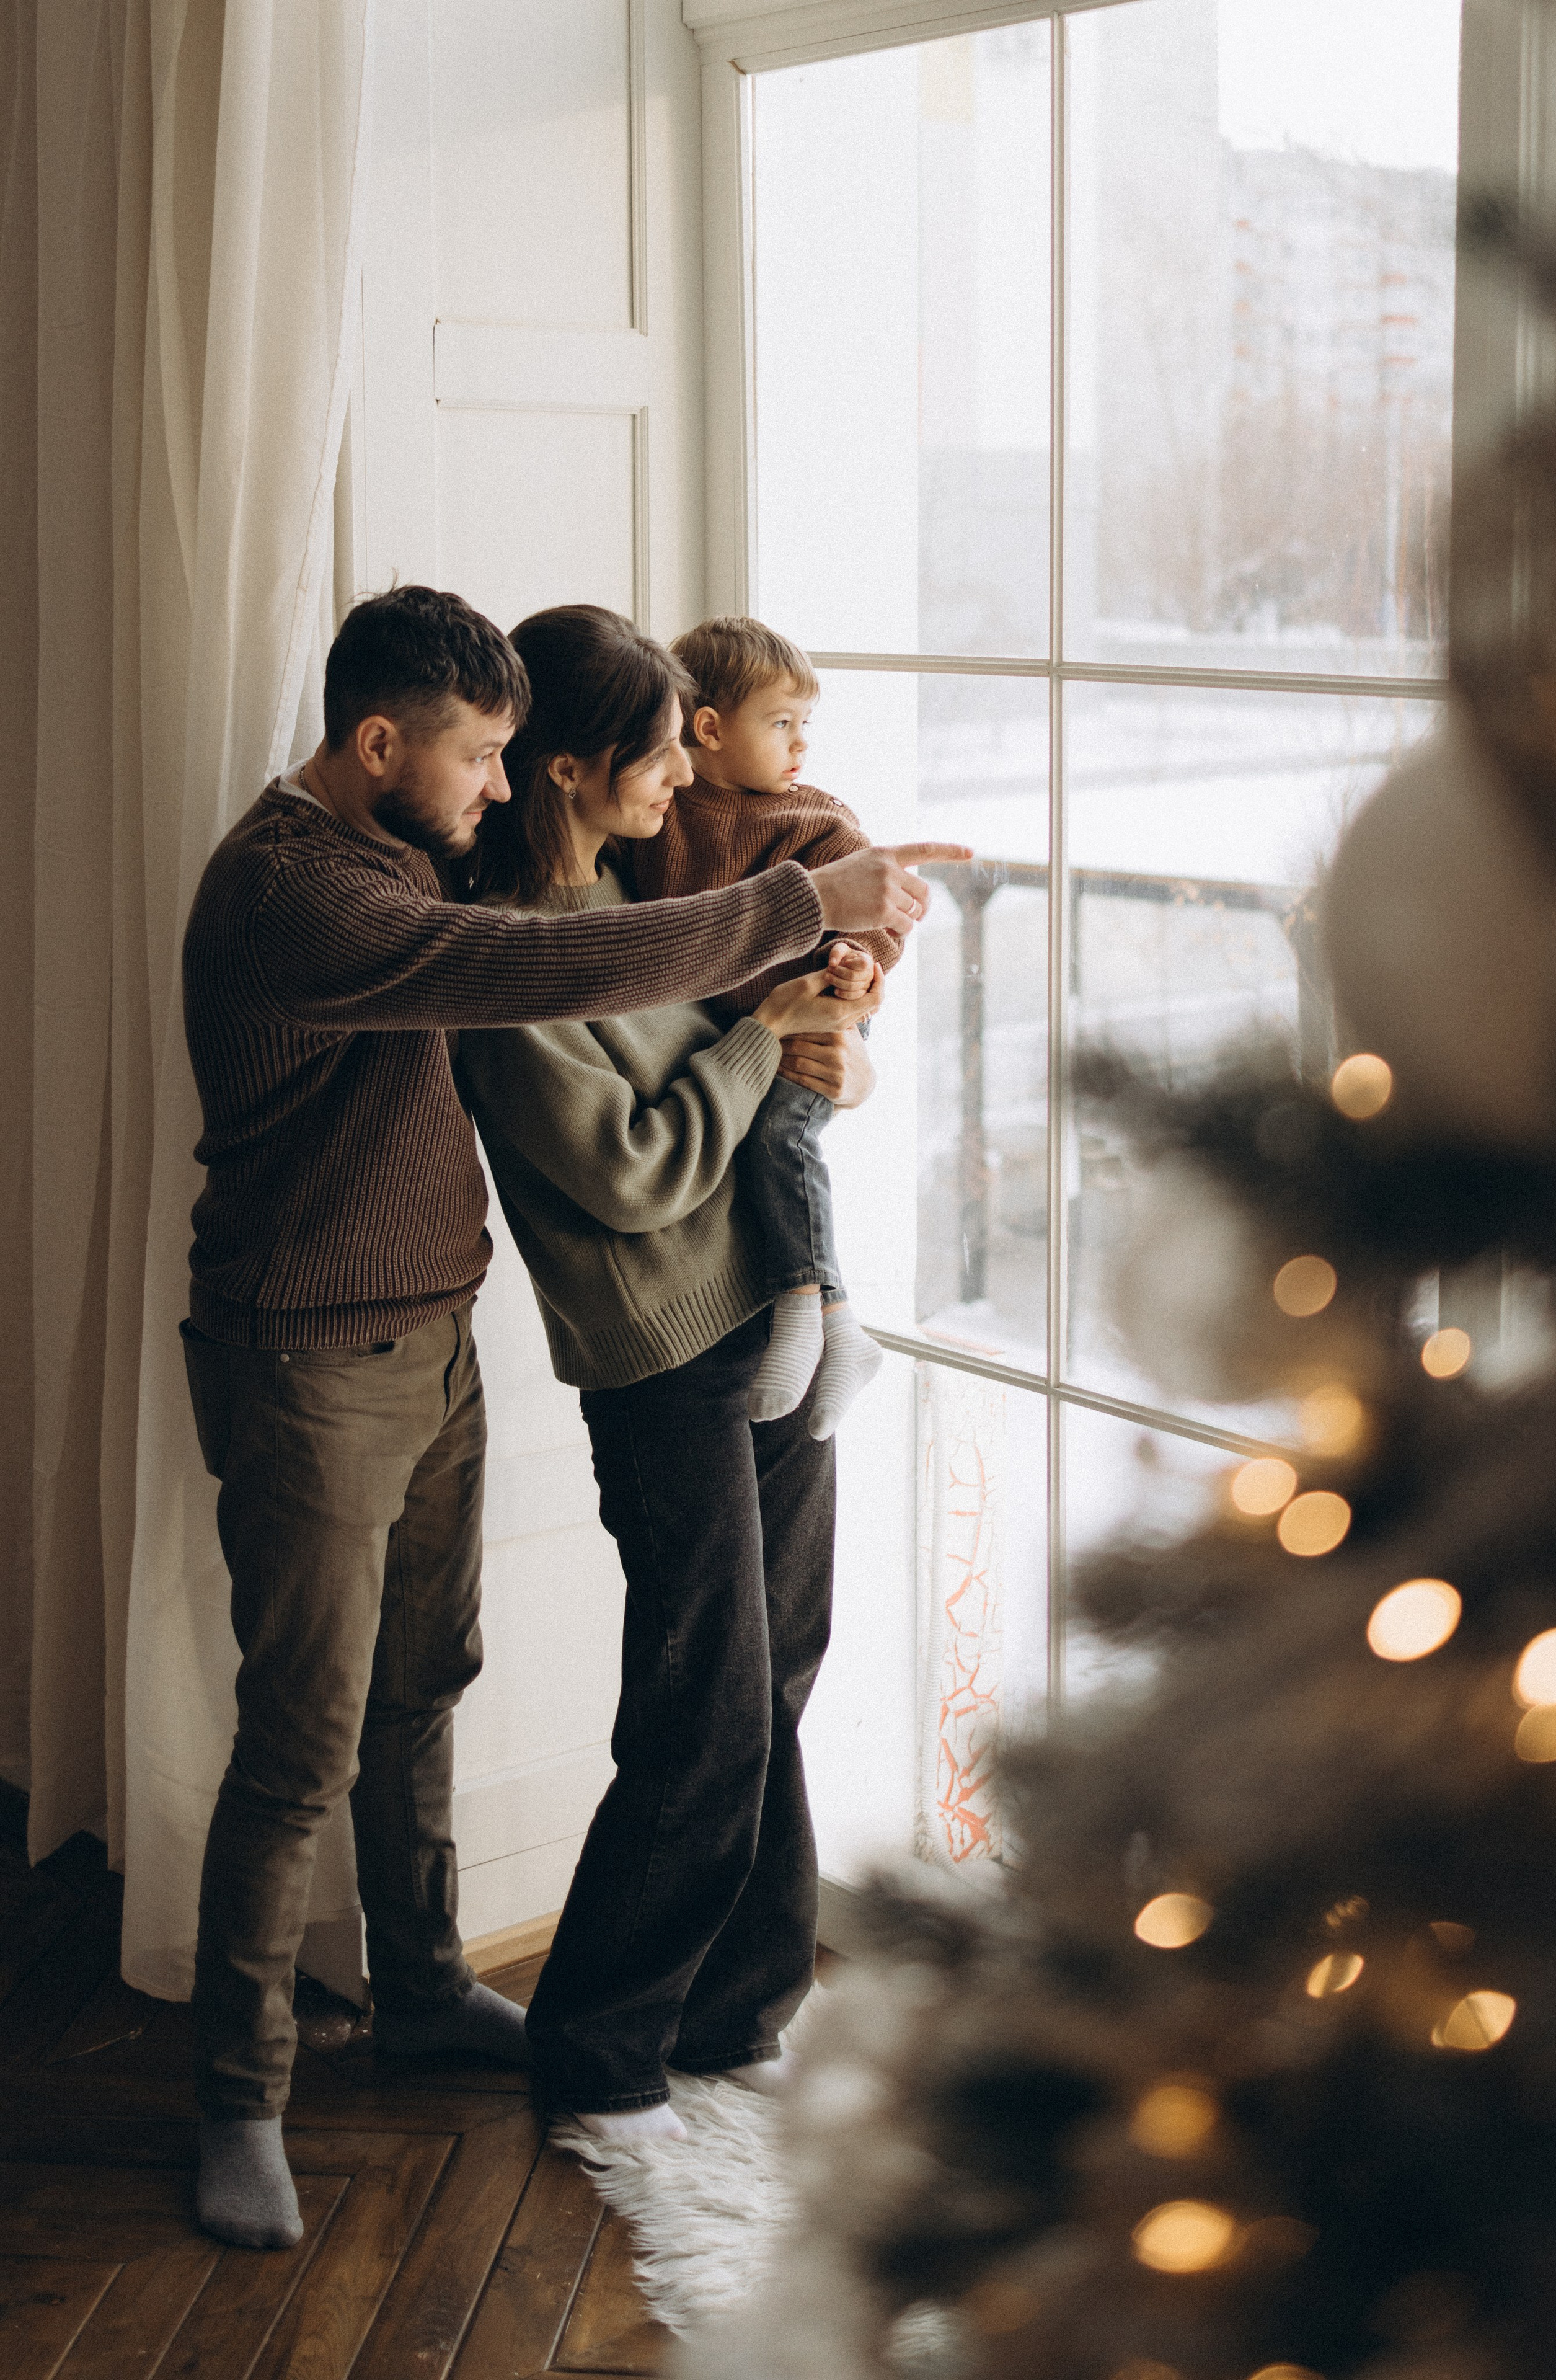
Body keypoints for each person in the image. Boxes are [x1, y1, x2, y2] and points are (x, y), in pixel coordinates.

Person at [179, 584, 963, 2249]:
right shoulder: (305, 891)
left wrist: (815, 1002)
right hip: (311, 1353)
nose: (496, 775)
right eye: (478, 751)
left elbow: (666, 930)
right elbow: (545, 978)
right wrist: (790, 937)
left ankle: (425, 1986)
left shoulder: (426, 855)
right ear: (377, 743)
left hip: (433, 1333)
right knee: (304, 1735)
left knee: (423, 1684)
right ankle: (239, 2094)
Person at [455, 605, 887, 2139]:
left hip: (767, 1314)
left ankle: (737, 2005)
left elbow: (774, 1055)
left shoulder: (645, 894)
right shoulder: (507, 958)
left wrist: (827, 1042)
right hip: (661, 1364)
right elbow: (632, 1171)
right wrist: (764, 1036)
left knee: (779, 1672)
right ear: (571, 769)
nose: (680, 781)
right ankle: (597, 2045)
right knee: (703, 1707)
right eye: (653, 756)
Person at [626, 615, 900, 1437]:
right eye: (781, 723)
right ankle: (841, 1326)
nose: (801, 744)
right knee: (756, 1142)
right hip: (747, 1032)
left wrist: (857, 961)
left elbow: (881, 922)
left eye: (806, 723)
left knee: (782, 1134)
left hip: (820, 1016)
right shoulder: (662, 815)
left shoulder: (814, 818)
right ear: (709, 730)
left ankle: (804, 1310)